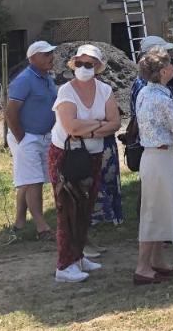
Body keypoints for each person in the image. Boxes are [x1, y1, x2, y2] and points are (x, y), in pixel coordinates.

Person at [48, 44, 120, 282]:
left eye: (89, 64)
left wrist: (87, 129)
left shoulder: (105, 90)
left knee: (85, 208)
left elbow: (115, 123)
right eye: (79, 63)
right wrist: (99, 125)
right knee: (66, 209)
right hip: (66, 156)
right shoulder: (66, 92)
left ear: (97, 67)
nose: (83, 68)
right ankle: (64, 265)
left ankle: (77, 256)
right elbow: (71, 127)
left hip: (92, 154)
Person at [133, 47, 173, 284]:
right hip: (162, 156)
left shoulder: (145, 93)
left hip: (154, 156)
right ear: (164, 71)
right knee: (153, 212)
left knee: (159, 210)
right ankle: (142, 266)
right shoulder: (161, 99)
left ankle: (157, 261)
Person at [4, 40, 57, 240]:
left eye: (51, 53)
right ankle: (42, 228)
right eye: (45, 54)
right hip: (28, 137)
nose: (50, 57)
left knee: (27, 180)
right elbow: (10, 112)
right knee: (34, 180)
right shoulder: (25, 79)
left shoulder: (47, 78)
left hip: (45, 136)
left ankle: (19, 222)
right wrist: (22, 138)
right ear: (32, 58)